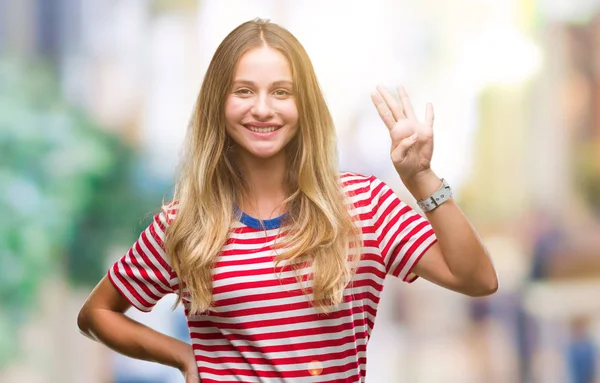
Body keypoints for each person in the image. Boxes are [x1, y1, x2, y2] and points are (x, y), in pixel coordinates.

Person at [77, 18, 498, 383]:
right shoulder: (187, 223)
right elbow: (97, 313)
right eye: (244, 90)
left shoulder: (365, 204)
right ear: (218, 104)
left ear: (304, 105)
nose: (263, 109)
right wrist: (183, 357)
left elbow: (478, 280)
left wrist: (421, 177)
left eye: (282, 92)